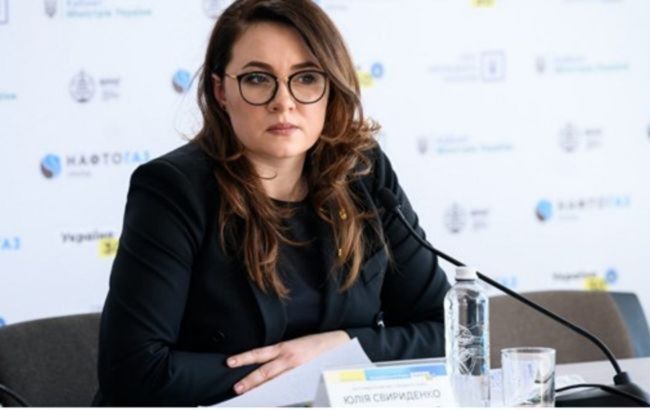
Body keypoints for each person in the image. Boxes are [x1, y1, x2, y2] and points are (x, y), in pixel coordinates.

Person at [94, 0, 450, 406]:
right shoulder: (174, 189)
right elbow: (133, 371)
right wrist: (305, 374)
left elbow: (446, 333)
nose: (284, 101)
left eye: (307, 77)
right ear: (221, 91)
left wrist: (341, 348)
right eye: (258, 79)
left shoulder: (363, 172)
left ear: (330, 87)